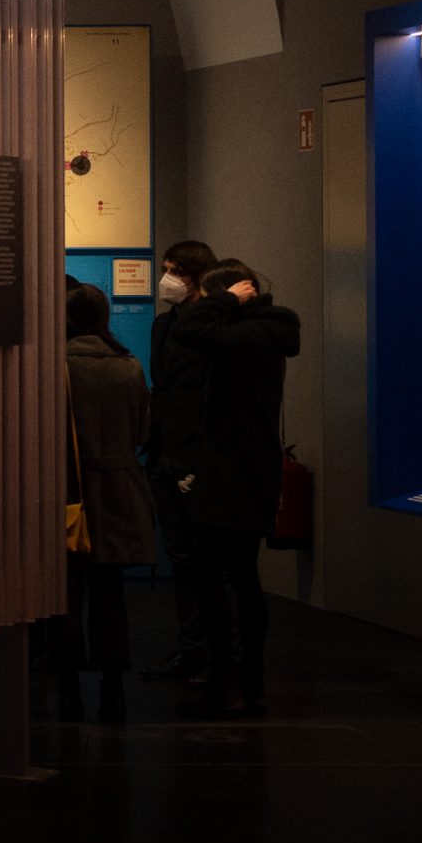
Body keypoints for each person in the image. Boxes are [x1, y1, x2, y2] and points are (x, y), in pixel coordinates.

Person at [165, 260, 300, 716]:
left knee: (225, 577)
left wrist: (224, 300)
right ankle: (243, 677)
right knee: (237, 576)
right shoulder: (262, 332)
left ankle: (235, 678)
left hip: (234, 474)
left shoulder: (252, 334)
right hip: (243, 471)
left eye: (208, 294)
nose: (201, 302)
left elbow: (190, 331)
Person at [59, 280, 159, 722]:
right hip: (118, 490)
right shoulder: (129, 366)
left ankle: (67, 690)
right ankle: (113, 687)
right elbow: (142, 432)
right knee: (110, 595)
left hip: (68, 491)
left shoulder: (56, 367)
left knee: (64, 593)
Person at [142, 239, 217, 684]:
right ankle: (193, 648)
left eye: (174, 270)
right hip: (166, 452)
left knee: (205, 558)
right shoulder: (162, 325)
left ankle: (212, 651)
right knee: (181, 556)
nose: (166, 278)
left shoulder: (211, 328)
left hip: (194, 454)